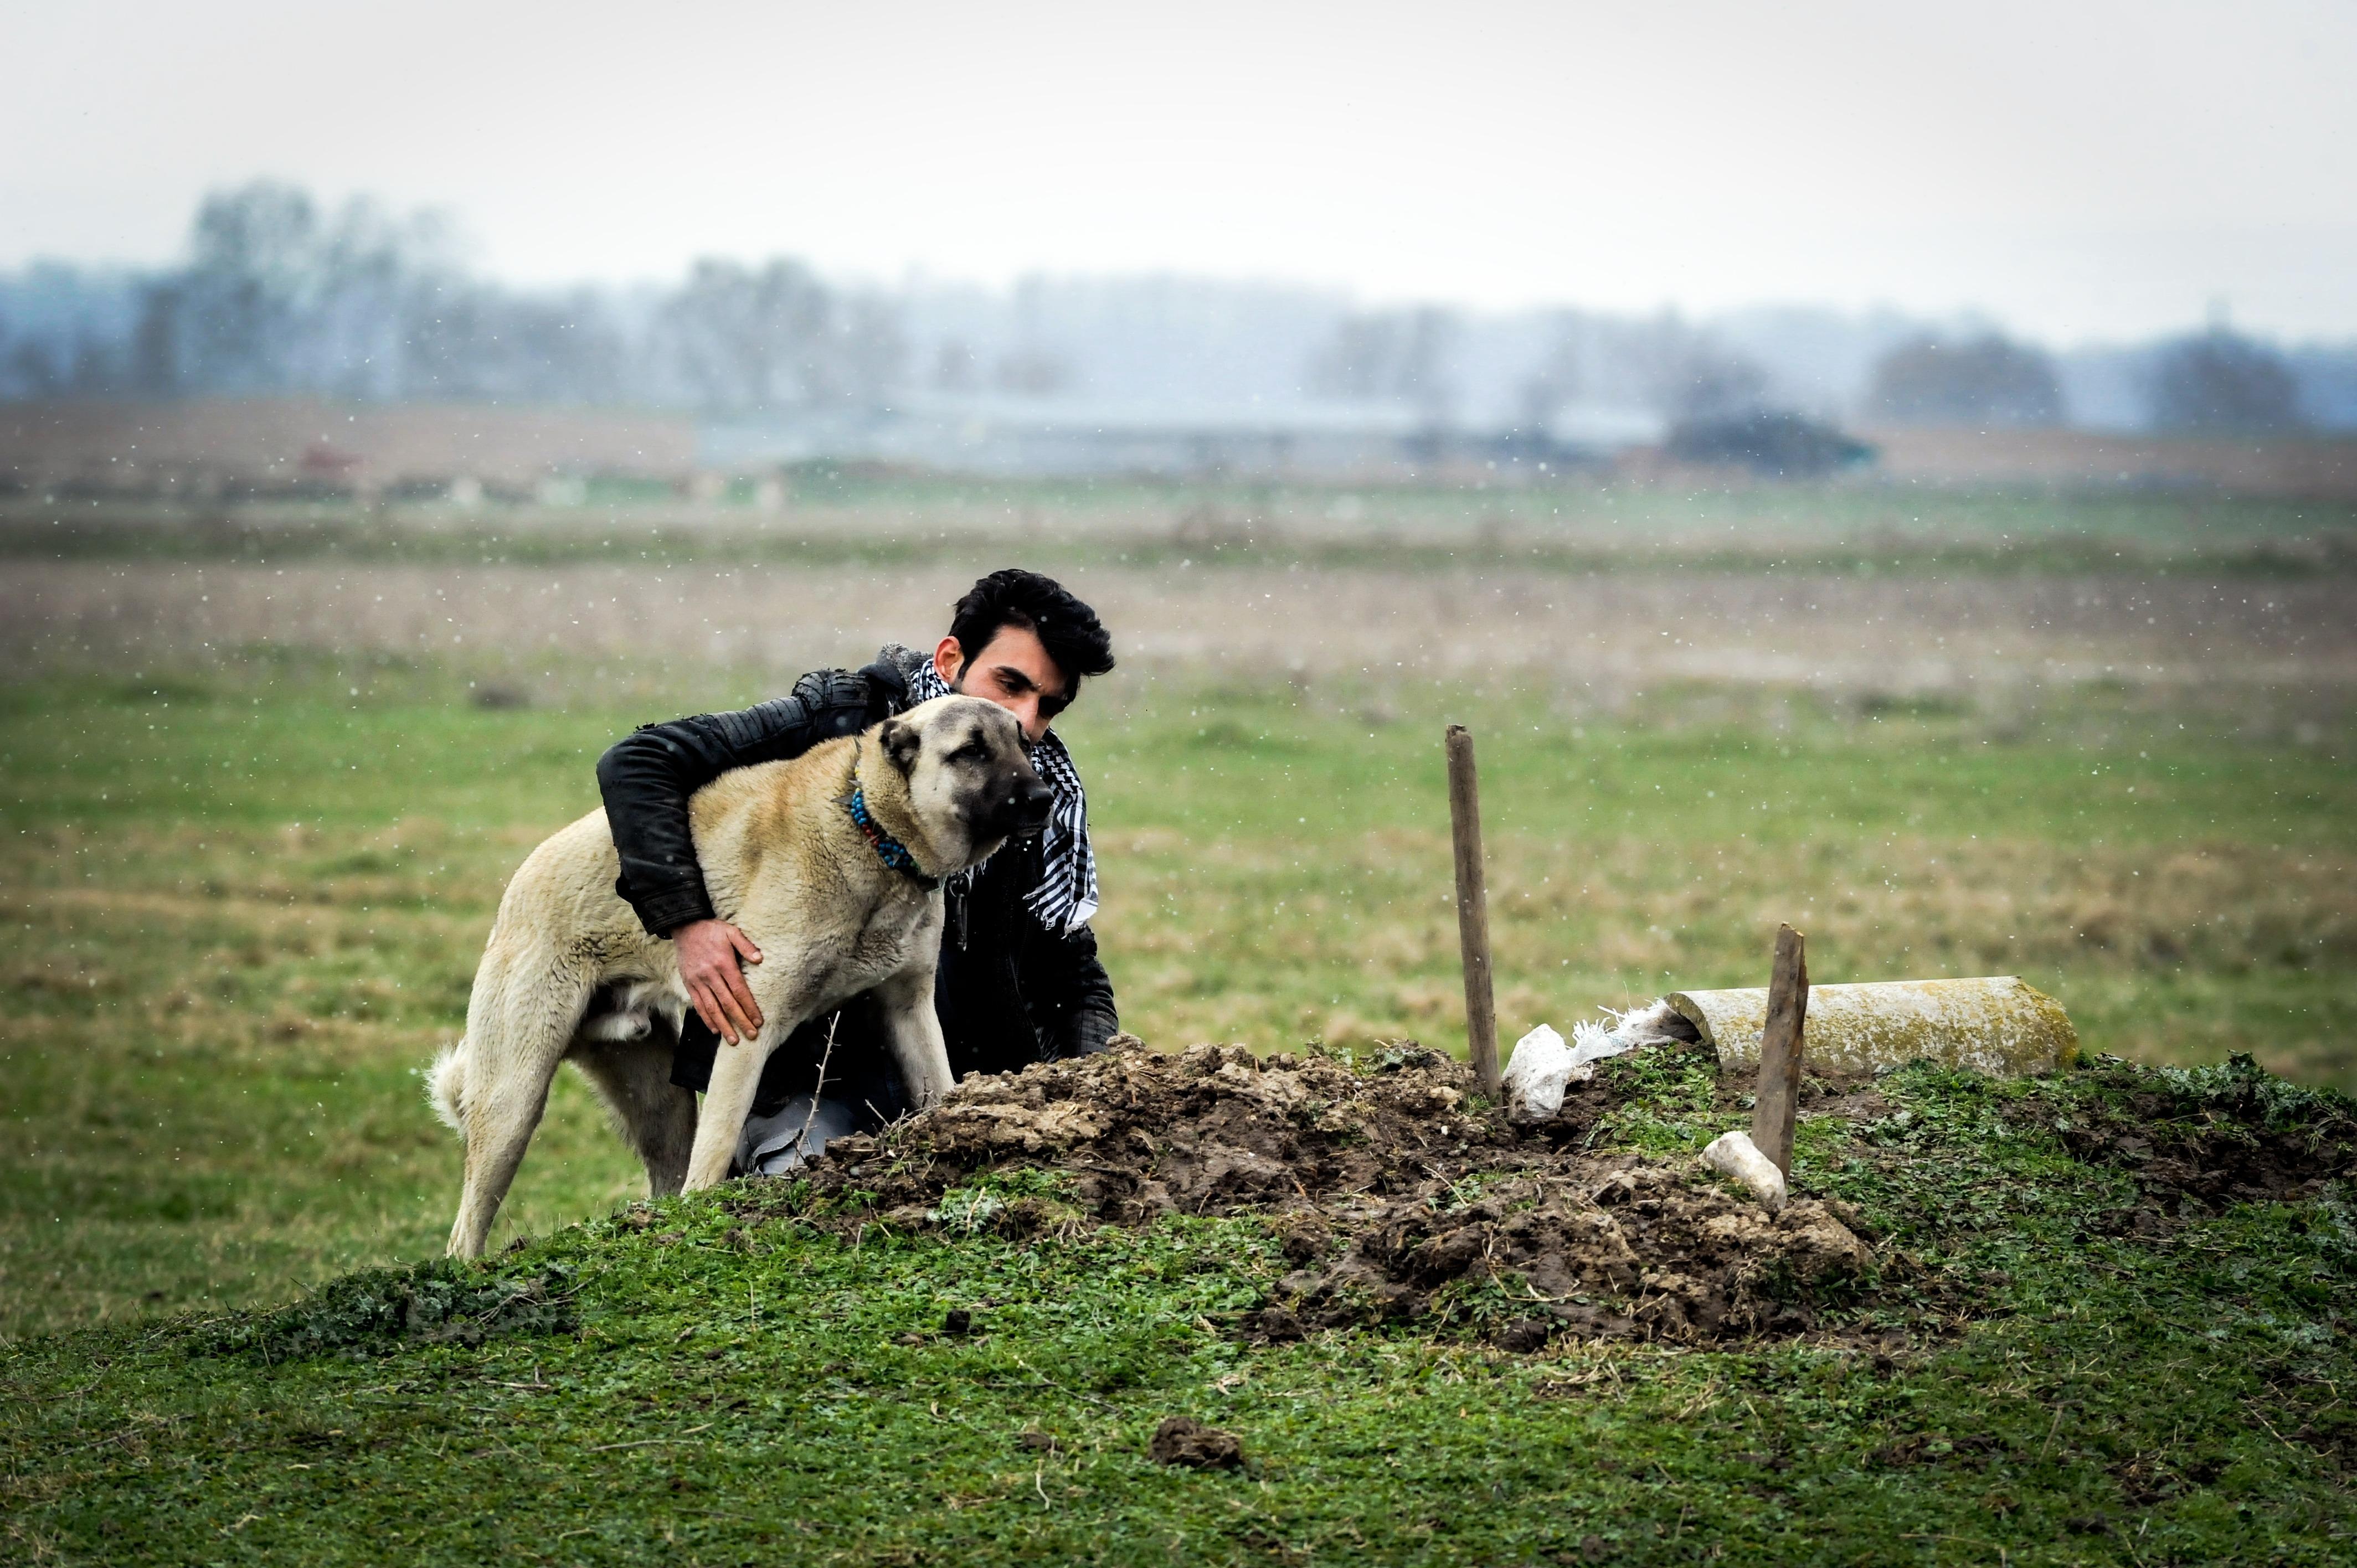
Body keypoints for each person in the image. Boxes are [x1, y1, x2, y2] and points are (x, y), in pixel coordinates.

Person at [595, 569, 1119, 1171]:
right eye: (1010, 684)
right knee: (804, 1193)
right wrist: (686, 922)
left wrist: (1098, 1083)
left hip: (959, 1093)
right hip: (809, 1090)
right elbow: (641, 762)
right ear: (949, 657)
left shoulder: (1033, 789)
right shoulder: (835, 720)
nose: (1025, 720)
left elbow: (1070, 970)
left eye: (1047, 706)